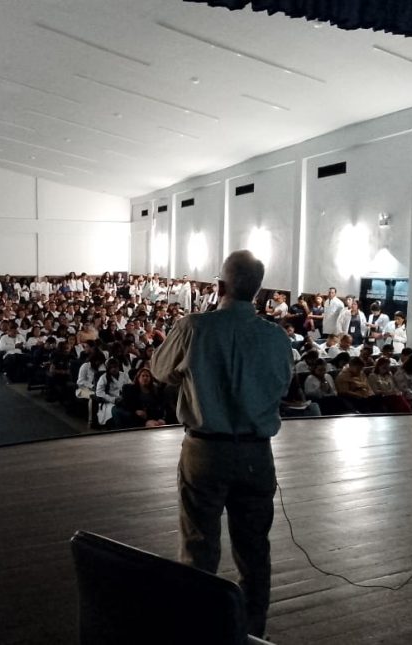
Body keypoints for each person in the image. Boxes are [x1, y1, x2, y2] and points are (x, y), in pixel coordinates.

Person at [151, 250, 291, 638]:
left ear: (219, 287)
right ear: (259, 292)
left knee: (199, 547)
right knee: (254, 551)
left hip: (205, 450)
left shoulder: (195, 326)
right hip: (256, 453)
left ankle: (199, 632)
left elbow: (160, 370)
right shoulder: (276, 337)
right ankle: (252, 633)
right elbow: (281, 386)